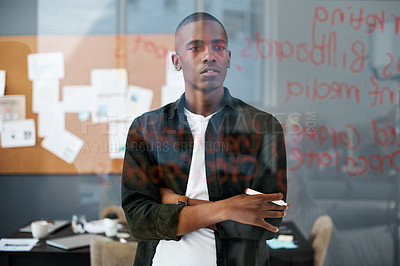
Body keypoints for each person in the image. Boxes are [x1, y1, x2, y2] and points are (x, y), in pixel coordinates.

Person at [122, 12, 287, 266]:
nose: (209, 55)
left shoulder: (263, 127)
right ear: (177, 61)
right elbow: (139, 221)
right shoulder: (146, 129)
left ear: (228, 58)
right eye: (195, 47)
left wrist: (174, 202)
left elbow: (266, 224)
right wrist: (229, 208)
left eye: (218, 46)